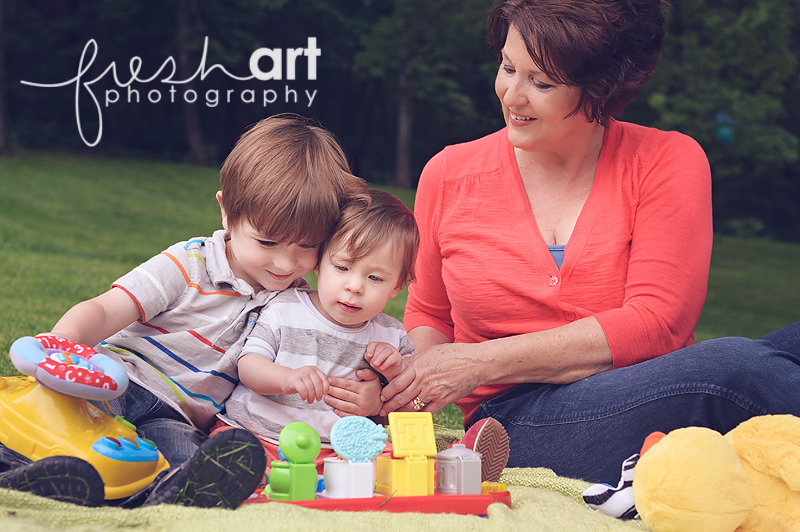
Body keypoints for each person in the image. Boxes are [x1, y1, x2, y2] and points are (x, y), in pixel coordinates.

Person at [379, 0, 800, 484]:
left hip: (650, 391)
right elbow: (430, 315)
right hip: (515, 419)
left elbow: (656, 323)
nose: (512, 94)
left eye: (542, 83)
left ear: (601, 89)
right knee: (736, 368)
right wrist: (418, 384)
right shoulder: (448, 174)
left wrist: (477, 362)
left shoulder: (669, 160)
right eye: (508, 67)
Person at [0, 114, 369, 507]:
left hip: (178, 415)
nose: (284, 263)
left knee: (186, 459)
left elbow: (321, 361)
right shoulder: (190, 263)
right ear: (227, 212)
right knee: (76, 423)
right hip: (122, 380)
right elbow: (105, 311)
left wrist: (368, 395)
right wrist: (60, 347)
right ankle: (36, 473)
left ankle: (158, 498)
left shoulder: (296, 304)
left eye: (307, 246)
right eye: (267, 241)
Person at [211, 190, 419, 473]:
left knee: (398, 462)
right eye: (343, 267)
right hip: (259, 436)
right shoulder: (285, 308)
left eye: (375, 278)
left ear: (397, 286)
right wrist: (287, 379)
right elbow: (248, 366)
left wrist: (381, 394)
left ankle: (467, 458)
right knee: (228, 456)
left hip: (336, 451)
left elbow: (408, 402)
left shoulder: (391, 336)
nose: (355, 286)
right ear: (319, 263)